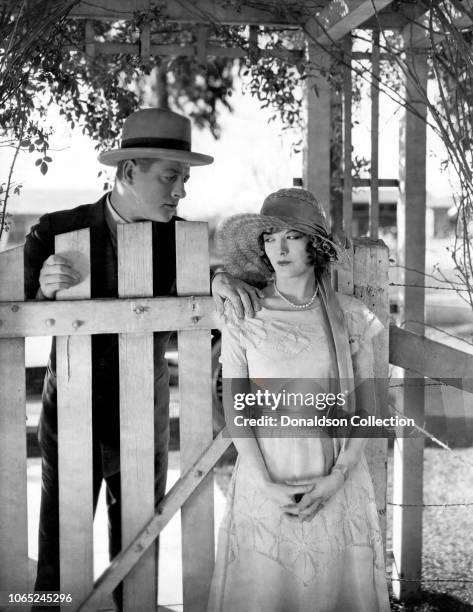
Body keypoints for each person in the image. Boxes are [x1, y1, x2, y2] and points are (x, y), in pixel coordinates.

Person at [24, 107, 259, 609]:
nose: (181, 191)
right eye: (170, 176)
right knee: (58, 548)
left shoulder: (184, 241)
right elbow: (11, 321)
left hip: (142, 414)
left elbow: (197, 307)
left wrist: (213, 281)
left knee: (136, 543)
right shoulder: (54, 232)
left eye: (185, 179)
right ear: (130, 172)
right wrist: (42, 298)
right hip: (69, 413)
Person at [207, 188, 391, 612]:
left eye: (291, 236)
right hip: (267, 474)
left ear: (317, 246)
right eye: (270, 237)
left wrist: (339, 477)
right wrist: (264, 483)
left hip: (335, 474)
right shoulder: (244, 314)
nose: (279, 248)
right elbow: (238, 410)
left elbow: (367, 408)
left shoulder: (350, 315)